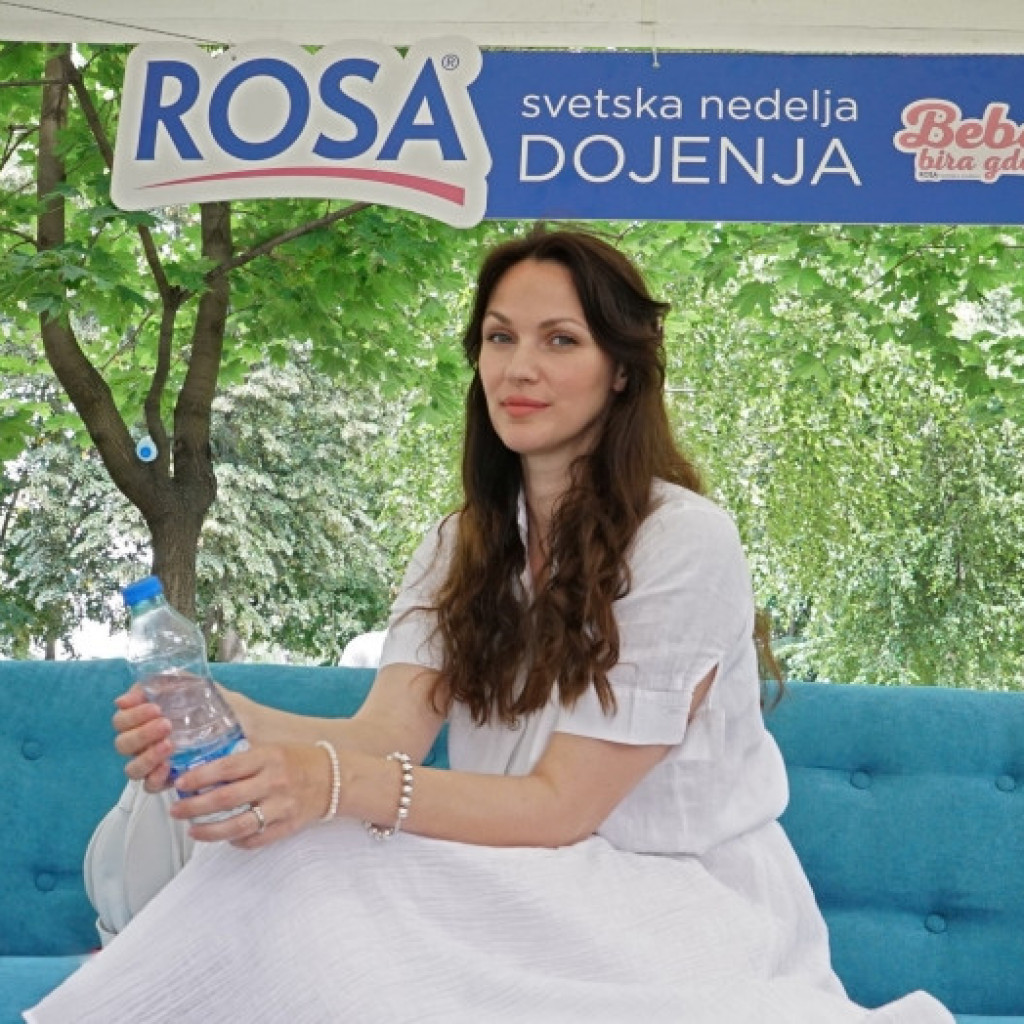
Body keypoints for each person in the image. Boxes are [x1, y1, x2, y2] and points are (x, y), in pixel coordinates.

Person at [26, 228, 953, 1024]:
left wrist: (328, 782)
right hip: (525, 879)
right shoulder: (458, 545)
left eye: (560, 340)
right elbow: (385, 739)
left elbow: (560, 807)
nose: (519, 368)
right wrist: (230, 717)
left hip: (675, 904)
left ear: (621, 370)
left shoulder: (683, 540)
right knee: (290, 853)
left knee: (317, 853)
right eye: (500, 337)